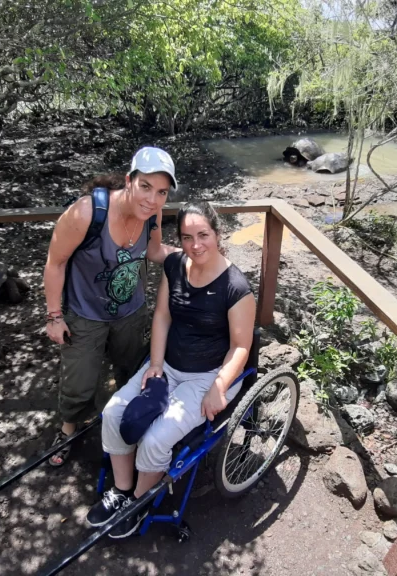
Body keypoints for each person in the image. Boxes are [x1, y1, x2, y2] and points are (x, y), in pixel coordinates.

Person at [86, 201, 256, 539]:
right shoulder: (176, 265)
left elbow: (241, 346)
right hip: (168, 364)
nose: (196, 245)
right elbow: (162, 316)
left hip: (208, 375)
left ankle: (139, 501)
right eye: (188, 237)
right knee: (112, 412)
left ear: (217, 234)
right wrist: (157, 365)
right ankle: (122, 489)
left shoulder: (236, 287)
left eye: (203, 235)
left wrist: (219, 386)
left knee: (154, 440)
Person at [43, 147, 179, 467]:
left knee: (130, 370)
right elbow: (55, 263)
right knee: (80, 380)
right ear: (129, 180)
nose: (152, 199)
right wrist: (53, 316)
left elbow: (155, 252)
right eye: (145, 186)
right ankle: (67, 429)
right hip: (84, 313)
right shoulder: (86, 213)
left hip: (130, 311)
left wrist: (193, 256)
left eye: (161, 192)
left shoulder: (152, 215)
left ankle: (127, 426)